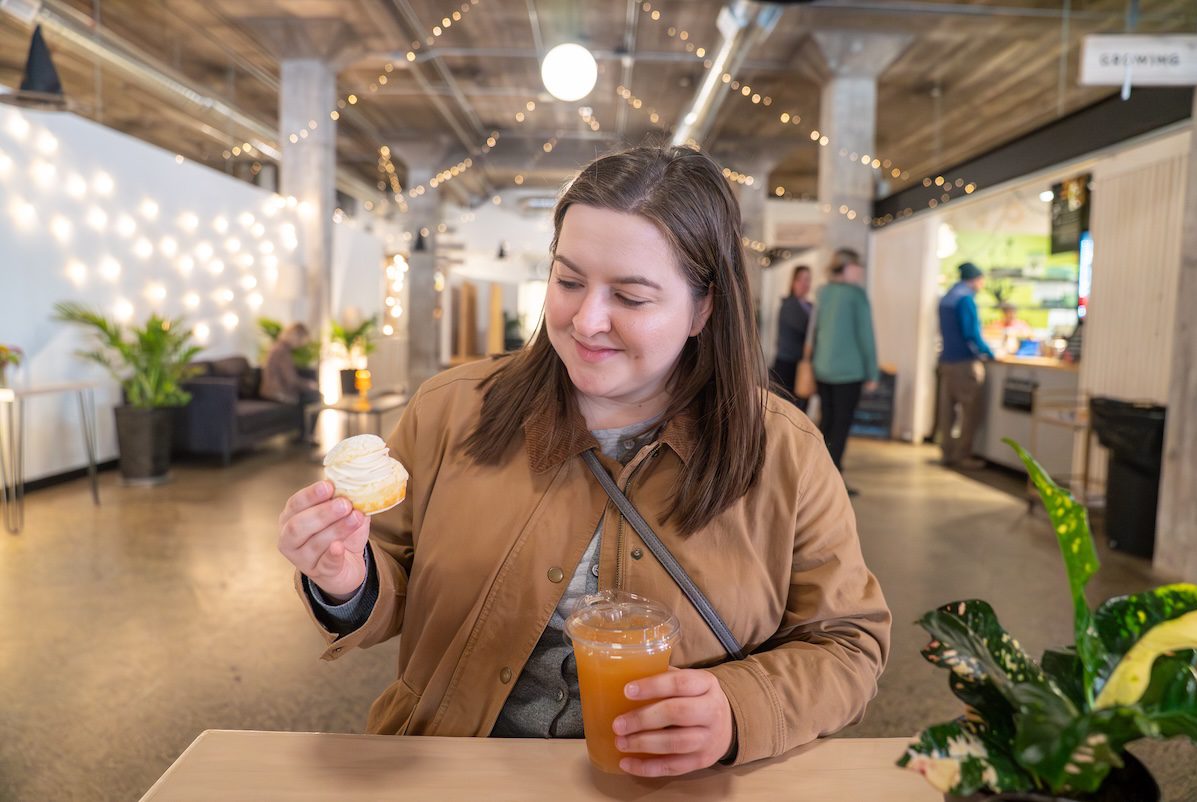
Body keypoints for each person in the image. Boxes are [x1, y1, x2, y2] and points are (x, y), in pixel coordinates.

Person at [276, 146, 890, 778]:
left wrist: (738, 710)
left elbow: (849, 642)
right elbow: (390, 578)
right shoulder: (451, 411)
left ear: (703, 309)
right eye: (568, 282)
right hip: (454, 773)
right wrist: (346, 581)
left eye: (630, 295)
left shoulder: (782, 449)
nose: (586, 320)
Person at [810, 248, 879, 484]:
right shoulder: (856, 296)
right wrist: (872, 371)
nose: (860, 272)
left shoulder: (823, 292)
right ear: (848, 267)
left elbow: (816, 332)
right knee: (840, 426)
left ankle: (816, 477)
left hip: (822, 368)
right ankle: (832, 482)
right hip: (848, 372)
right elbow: (865, 335)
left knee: (827, 422)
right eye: (857, 266)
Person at [937, 262, 994, 468]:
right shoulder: (965, 299)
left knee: (947, 412)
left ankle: (947, 452)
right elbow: (971, 333)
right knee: (970, 411)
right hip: (964, 362)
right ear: (975, 279)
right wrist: (988, 352)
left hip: (946, 360)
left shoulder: (947, 298)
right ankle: (963, 456)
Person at [261, 322, 321, 436]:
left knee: (310, 394)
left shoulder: (278, 347)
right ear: (296, 336)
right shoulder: (281, 351)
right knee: (314, 396)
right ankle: (306, 435)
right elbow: (291, 380)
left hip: (271, 390)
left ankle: (304, 433)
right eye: (301, 340)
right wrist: (309, 385)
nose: (300, 345)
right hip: (276, 393)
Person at [770, 265, 813, 411]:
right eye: (801, 279)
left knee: (801, 408)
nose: (804, 284)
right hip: (787, 365)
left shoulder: (809, 306)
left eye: (807, 280)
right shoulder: (789, 305)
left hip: (801, 366)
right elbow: (809, 330)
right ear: (793, 282)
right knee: (788, 409)